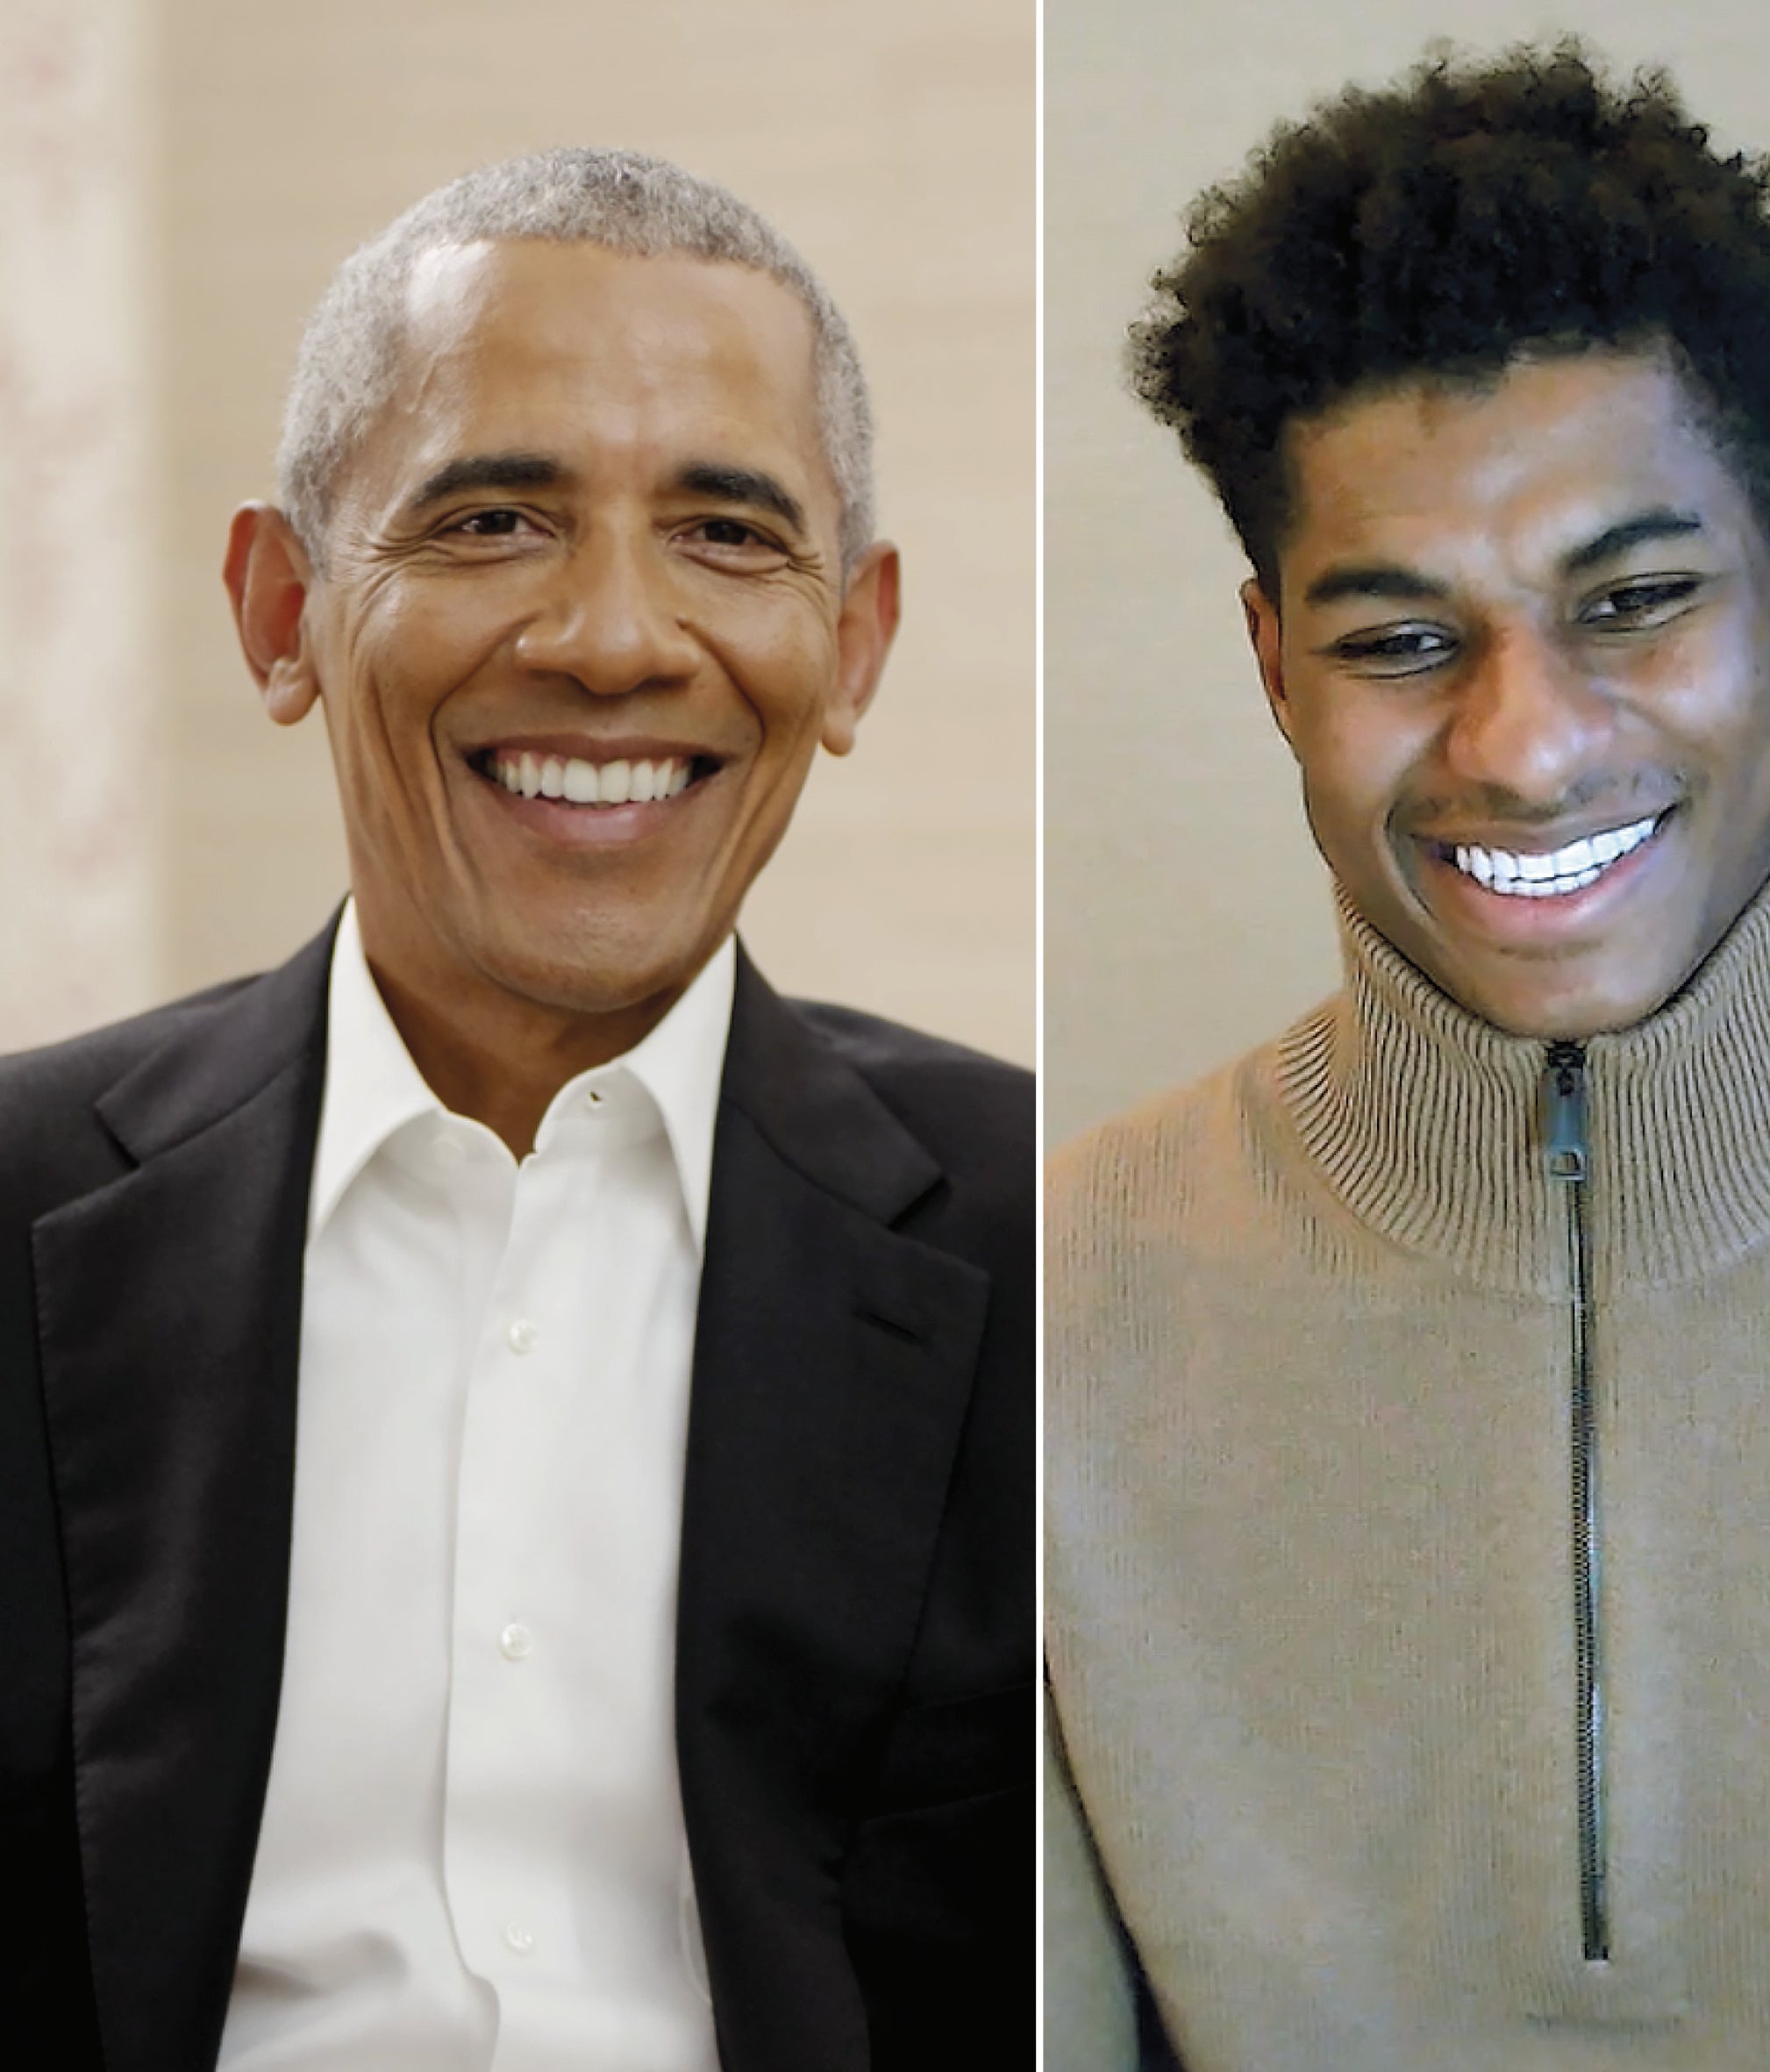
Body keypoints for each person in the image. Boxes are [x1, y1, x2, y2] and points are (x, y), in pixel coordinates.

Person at [1045, 43, 1770, 2069]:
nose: (1520, 741)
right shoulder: (1042, 1322)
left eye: (1632, 598)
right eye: (1399, 639)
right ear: (1269, 663)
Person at [0, 148, 1031, 2071]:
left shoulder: (1060, 1258)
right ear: (282, 606)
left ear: (856, 641)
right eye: (490, 520)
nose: (616, 637)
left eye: (728, 534)